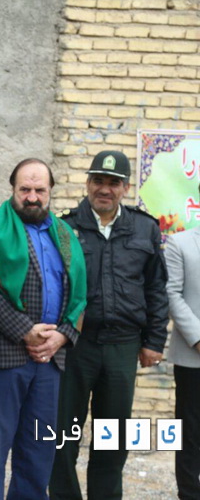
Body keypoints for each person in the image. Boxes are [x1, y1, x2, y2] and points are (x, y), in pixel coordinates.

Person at [0, 158, 86, 500]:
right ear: (13, 189)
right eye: (25, 190)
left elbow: (79, 294)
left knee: (39, 446)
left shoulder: (65, 235)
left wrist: (62, 336)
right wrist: (25, 330)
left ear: (51, 192)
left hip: (49, 361)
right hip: (3, 358)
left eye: (40, 190)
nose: (32, 197)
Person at [50, 150, 169, 500]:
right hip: (75, 345)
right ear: (88, 183)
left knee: (113, 438)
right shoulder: (65, 228)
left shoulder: (145, 228)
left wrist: (154, 341)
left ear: (126, 188)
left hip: (123, 346)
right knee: (62, 434)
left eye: (113, 183)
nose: (105, 189)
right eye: (98, 180)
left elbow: (156, 288)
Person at [165, 196, 200, 499]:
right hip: (193, 356)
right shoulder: (180, 243)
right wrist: (198, 339)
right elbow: (172, 294)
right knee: (190, 432)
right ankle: (189, 493)